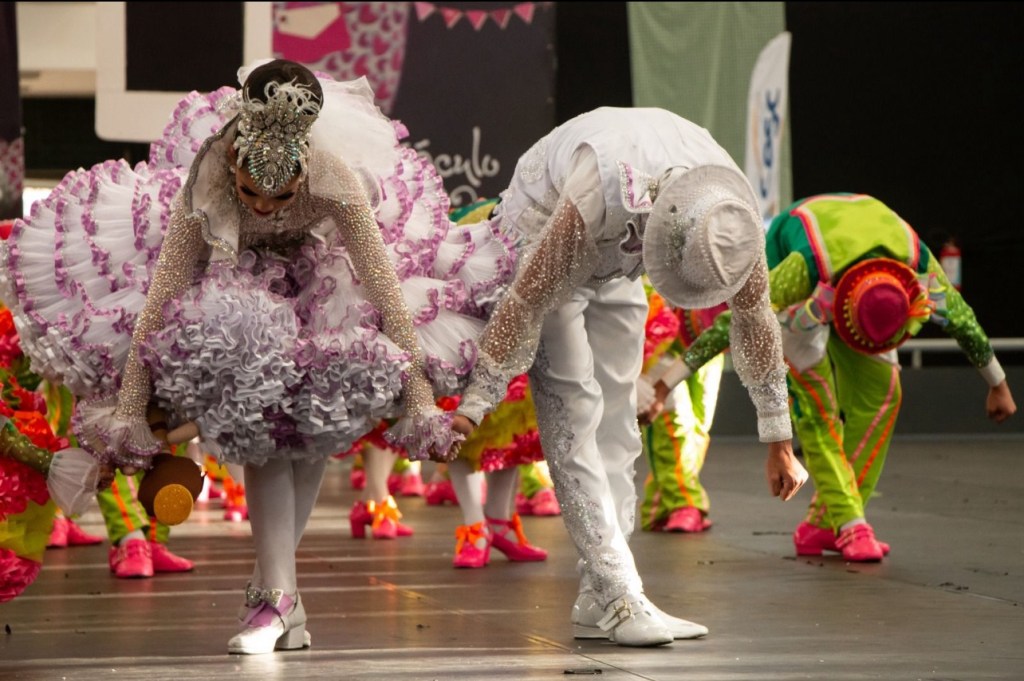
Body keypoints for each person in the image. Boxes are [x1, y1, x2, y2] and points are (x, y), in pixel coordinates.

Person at [0, 59, 515, 654]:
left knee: (315, 432)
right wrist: (131, 408)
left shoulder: (336, 179)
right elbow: (163, 292)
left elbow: (383, 290)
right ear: (234, 166)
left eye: (283, 195)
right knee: (262, 422)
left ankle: (276, 595)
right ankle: (276, 599)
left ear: (306, 171)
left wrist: (421, 400)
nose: (265, 209)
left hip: (326, 281)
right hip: (229, 290)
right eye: (251, 193)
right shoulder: (210, 178)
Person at [450, 107, 808, 647]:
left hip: (626, 242)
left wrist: (780, 439)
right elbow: (526, 299)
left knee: (618, 421)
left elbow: (755, 319)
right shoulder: (599, 194)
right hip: (545, 229)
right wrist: (476, 402)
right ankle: (620, 595)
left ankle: (602, 597)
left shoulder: (729, 216)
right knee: (572, 415)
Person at [655, 192, 1016, 561]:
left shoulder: (921, 272)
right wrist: (666, 382)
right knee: (818, 406)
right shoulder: (800, 271)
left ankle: (823, 523)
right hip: (802, 300)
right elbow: (739, 321)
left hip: (869, 290)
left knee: (884, 394)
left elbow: (965, 323)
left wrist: (998, 385)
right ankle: (850, 525)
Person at [636, 285, 726, 533]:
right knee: (673, 422)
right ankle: (684, 503)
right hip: (659, 326)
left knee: (699, 424)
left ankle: (660, 505)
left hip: (707, 326)